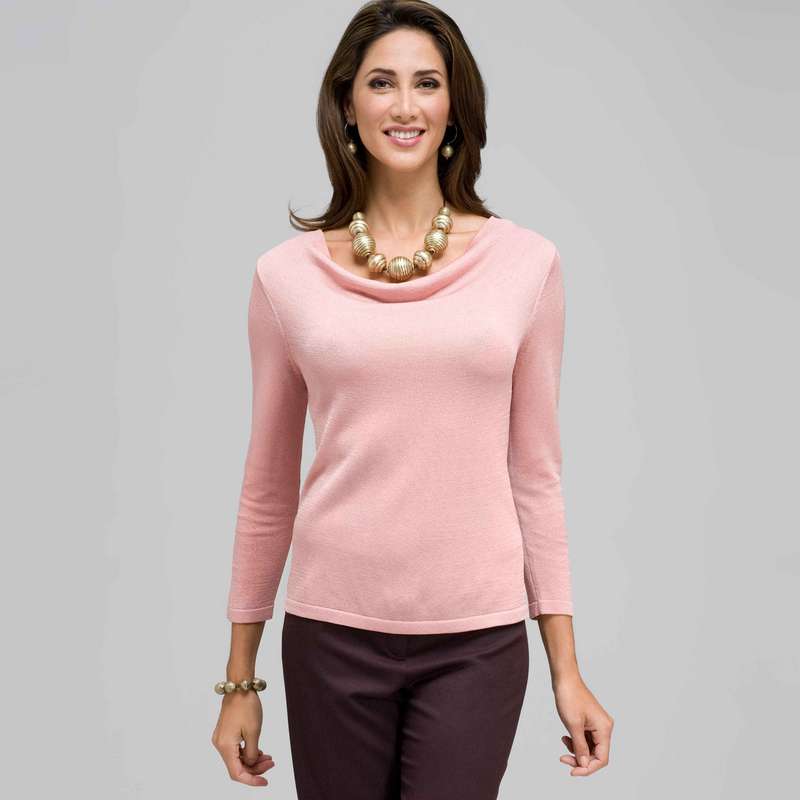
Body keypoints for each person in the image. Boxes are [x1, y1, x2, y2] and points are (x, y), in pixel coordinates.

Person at [211, 1, 614, 796]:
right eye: (381, 83)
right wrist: (240, 680)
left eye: (427, 83)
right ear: (347, 104)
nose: (404, 105)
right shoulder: (284, 278)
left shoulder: (527, 266)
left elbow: (536, 475)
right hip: (330, 634)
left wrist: (567, 671)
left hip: (477, 639)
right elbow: (267, 484)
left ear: (455, 105)